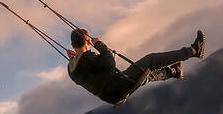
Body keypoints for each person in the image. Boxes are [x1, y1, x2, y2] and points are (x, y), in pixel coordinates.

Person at [67, 28, 205, 106]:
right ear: (88, 41)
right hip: (118, 85)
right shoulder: (88, 59)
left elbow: (87, 70)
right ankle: (193, 51)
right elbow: (110, 64)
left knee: (140, 75)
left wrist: (74, 59)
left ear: (73, 45)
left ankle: (174, 71)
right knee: (151, 60)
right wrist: (100, 45)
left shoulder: (71, 70)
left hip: (112, 97)